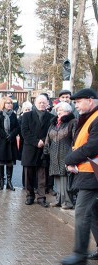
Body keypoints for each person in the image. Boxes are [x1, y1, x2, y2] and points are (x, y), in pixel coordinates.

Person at [60, 88, 98, 265]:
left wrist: (69, 158)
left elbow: (92, 147)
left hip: (93, 174)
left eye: (78, 102)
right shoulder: (90, 117)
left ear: (90, 100)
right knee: (93, 213)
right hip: (88, 172)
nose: (76, 105)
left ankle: (80, 254)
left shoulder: (96, 119)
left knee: (82, 212)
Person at [21, 95, 54, 207]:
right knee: (28, 175)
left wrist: (44, 141)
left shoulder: (51, 117)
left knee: (42, 175)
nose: (42, 104)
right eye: (39, 102)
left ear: (47, 104)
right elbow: (24, 132)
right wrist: (36, 142)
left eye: (44, 102)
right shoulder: (26, 116)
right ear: (35, 103)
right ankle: (30, 196)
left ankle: (41, 197)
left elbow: (52, 133)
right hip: (30, 149)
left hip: (43, 150)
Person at [43, 102, 77, 209]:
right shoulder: (54, 123)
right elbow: (48, 137)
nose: (58, 112)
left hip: (66, 153)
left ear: (68, 111)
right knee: (57, 177)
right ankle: (59, 200)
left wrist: (73, 154)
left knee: (65, 178)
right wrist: (46, 149)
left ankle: (67, 202)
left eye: (61, 110)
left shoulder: (73, 122)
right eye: (57, 110)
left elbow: (75, 139)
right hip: (54, 153)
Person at [0, 96, 20, 191]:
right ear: (3, 104)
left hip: (11, 141)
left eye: (11, 103)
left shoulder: (13, 115)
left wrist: (11, 135)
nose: (9, 105)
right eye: (7, 103)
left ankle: (9, 182)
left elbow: (17, 127)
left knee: (10, 163)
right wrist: (5, 135)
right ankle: (1, 181)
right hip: (1, 141)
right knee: (0, 163)